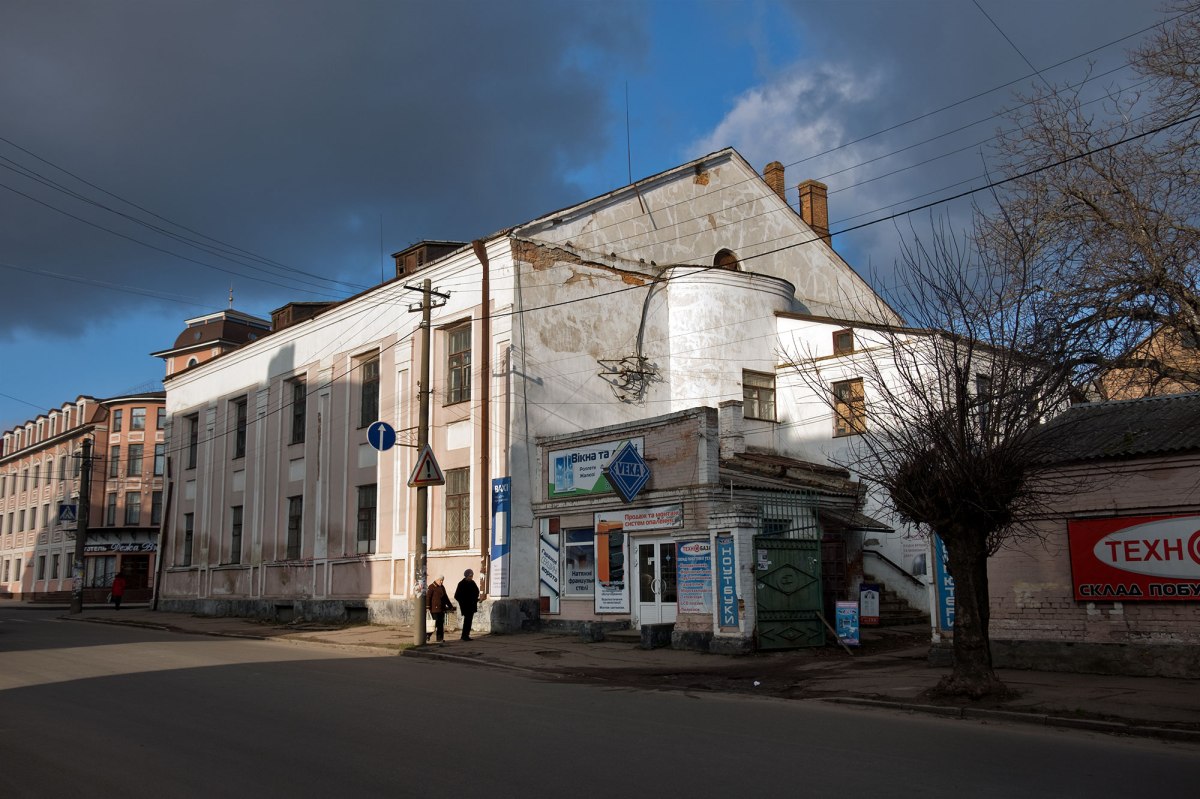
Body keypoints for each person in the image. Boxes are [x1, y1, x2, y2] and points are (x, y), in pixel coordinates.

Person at [454, 569, 480, 641]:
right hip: (465, 606)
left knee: (469, 621)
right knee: (467, 621)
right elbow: (457, 596)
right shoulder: (461, 584)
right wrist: (463, 602)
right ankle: (464, 635)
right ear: (466, 576)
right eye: (470, 576)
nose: (471, 577)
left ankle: (466, 635)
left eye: (472, 576)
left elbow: (476, 591)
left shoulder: (472, 583)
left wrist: (475, 599)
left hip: (471, 605)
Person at [426, 575, 454, 643]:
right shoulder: (431, 587)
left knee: (440, 624)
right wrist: (427, 607)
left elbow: (445, 597)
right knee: (434, 624)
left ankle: (440, 638)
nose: (441, 582)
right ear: (436, 580)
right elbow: (428, 597)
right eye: (440, 580)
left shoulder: (442, 587)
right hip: (434, 609)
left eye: (442, 580)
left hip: (441, 609)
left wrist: (450, 606)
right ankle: (427, 635)